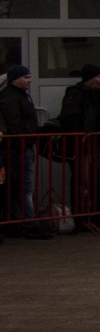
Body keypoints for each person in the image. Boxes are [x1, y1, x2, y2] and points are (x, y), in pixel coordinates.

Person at [54, 65, 100, 234]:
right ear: (89, 78)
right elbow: (69, 116)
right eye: (99, 77)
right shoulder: (76, 94)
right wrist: (81, 136)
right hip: (82, 144)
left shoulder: (98, 95)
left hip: (95, 143)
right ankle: (82, 217)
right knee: (83, 181)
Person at [0, 64, 45, 240]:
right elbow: (14, 122)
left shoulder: (17, 96)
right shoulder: (11, 98)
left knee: (17, 187)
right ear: (15, 79)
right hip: (17, 148)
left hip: (19, 146)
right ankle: (28, 223)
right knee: (23, 187)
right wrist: (25, 140)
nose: (30, 80)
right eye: (26, 77)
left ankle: (17, 222)